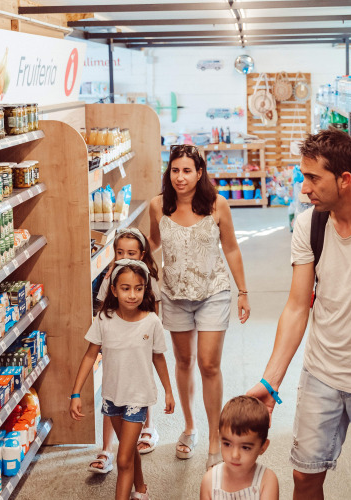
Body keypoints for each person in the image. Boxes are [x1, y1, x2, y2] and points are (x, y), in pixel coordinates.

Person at [246, 129, 351, 500]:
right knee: (304, 476)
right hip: (321, 373)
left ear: (344, 180)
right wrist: (270, 382)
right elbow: (298, 306)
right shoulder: (309, 225)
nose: (303, 188)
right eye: (303, 176)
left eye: (313, 178)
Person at [149, 144, 251, 470]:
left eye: (187, 170)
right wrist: (125, 259)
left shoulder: (217, 205)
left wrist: (243, 291)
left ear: (200, 173)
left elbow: (232, 249)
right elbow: (152, 244)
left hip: (213, 291)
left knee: (208, 364)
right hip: (174, 294)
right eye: (175, 170)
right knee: (183, 361)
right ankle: (190, 427)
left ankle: (212, 439)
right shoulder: (157, 206)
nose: (181, 177)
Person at [70, 260, 175, 500]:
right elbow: (89, 356)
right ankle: (141, 488)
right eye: (126, 288)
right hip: (112, 397)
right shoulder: (104, 319)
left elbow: (158, 359)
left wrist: (168, 391)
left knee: (123, 458)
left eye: (138, 288)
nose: (132, 294)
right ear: (114, 290)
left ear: (145, 290)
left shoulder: (151, 322)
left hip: (138, 398)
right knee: (128, 450)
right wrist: (76, 393)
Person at [88, 228, 162, 474]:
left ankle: (147, 427)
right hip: (115, 345)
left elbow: (155, 317)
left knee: (140, 383)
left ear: (142, 254)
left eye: (130, 253)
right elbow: (102, 309)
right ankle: (106, 449)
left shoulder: (147, 279)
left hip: (140, 344)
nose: (124, 257)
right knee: (112, 394)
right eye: (119, 252)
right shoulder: (110, 279)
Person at [200, 396, 279, 500]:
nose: (234, 455)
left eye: (245, 447)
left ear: (263, 447)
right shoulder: (209, 480)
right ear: (220, 438)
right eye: (227, 444)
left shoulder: (267, 480)